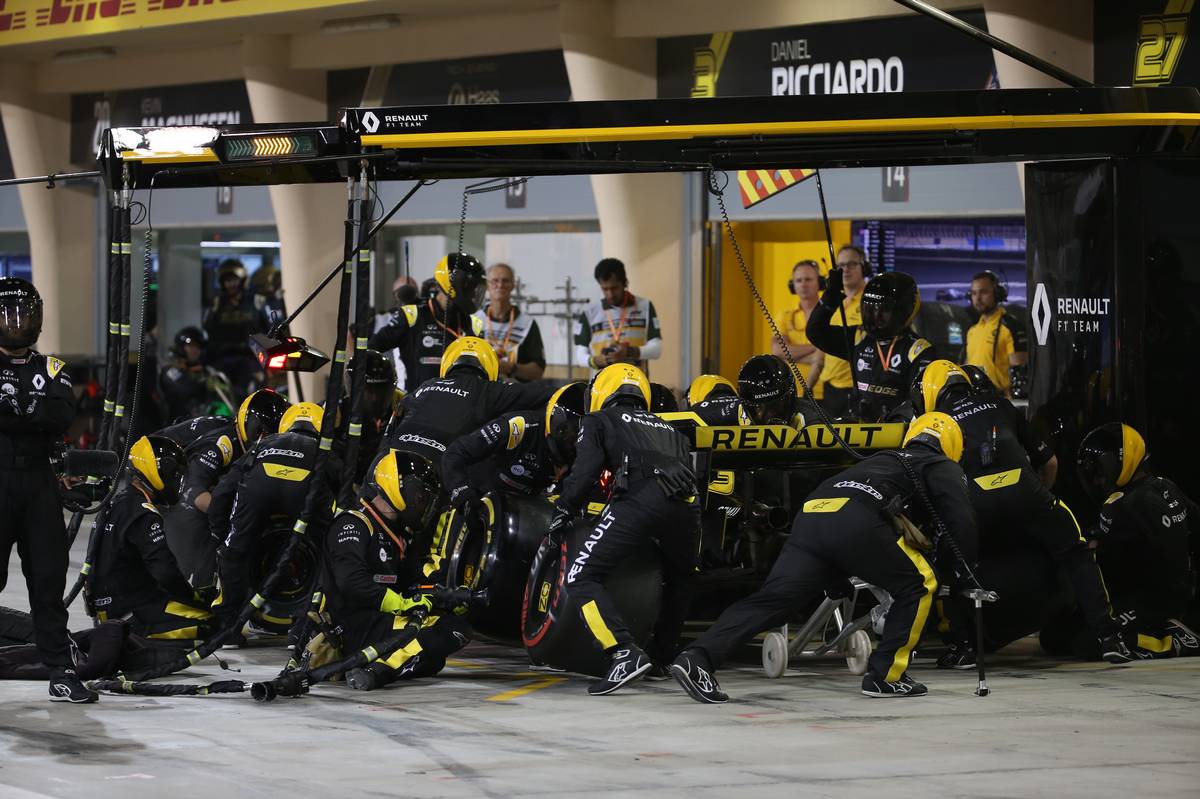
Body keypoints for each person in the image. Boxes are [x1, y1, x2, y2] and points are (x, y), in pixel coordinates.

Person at [672, 413, 976, 703]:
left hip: (813, 514)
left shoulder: (880, 459)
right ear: (952, 448)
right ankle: (887, 676)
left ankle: (698, 658)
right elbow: (961, 523)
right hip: (855, 519)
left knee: (774, 600)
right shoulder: (941, 465)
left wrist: (835, 573)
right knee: (921, 582)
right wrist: (962, 573)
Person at [909, 361, 1124, 665]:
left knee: (949, 564)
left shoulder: (934, 421)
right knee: (1077, 552)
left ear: (930, 392)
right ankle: (1109, 638)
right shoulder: (1001, 404)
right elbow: (1049, 463)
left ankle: (964, 648)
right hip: (1025, 491)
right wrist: (1037, 499)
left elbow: (929, 482)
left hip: (973, 502)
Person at [549, 363, 701, 695]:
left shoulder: (598, 419)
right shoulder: (669, 427)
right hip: (689, 505)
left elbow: (584, 472)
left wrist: (562, 510)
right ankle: (663, 658)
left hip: (643, 497)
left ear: (602, 391)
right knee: (681, 580)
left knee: (580, 577)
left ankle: (622, 651)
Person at [0, 277, 97, 702]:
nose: (17, 323)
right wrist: (31, 414)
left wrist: (15, 413)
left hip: (40, 484)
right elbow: (43, 415)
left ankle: (60, 670)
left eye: (25, 314)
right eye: (9, 315)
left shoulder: (52, 368)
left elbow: (60, 414)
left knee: (48, 581)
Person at [1042, 424, 1198, 660]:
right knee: (1055, 637)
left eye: (1100, 470)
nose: (1097, 480)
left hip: (1152, 600)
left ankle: (1174, 639)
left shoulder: (1120, 504)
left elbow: (1099, 555)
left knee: (1089, 642)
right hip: (1173, 591)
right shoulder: (1166, 486)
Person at [323, 450, 472, 690]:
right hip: (352, 625)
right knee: (451, 630)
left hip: (378, 620)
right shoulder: (353, 523)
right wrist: (402, 604)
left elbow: (406, 581)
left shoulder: (396, 535)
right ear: (397, 487)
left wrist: (443, 595)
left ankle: (381, 666)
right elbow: (351, 583)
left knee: (435, 659)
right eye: (420, 496)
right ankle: (379, 670)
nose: (422, 504)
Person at [210, 402, 341, 632]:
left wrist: (224, 540)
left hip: (258, 488)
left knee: (235, 549)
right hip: (307, 491)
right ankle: (306, 627)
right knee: (329, 552)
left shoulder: (262, 444)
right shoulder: (325, 450)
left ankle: (227, 626)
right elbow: (347, 492)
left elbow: (222, 493)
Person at [85, 435, 213, 643]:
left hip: (109, 607)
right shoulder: (144, 513)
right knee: (213, 623)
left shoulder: (117, 502)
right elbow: (165, 571)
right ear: (158, 471)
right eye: (175, 475)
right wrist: (193, 597)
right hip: (130, 612)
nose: (178, 482)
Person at [159, 389, 290, 586]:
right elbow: (192, 491)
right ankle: (197, 587)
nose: (265, 440)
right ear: (249, 423)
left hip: (177, 480)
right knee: (210, 529)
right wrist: (236, 517)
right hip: (160, 485)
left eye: (273, 435)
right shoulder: (224, 443)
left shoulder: (240, 440)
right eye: (262, 432)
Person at [383, 336, 554, 469]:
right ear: (490, 368)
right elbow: (546, 395)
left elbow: (394, 423)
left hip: (388, 464)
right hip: (439, 474)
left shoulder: (425, 386)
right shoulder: (488, 390)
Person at [807, 269, 936, 422]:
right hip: (860, 431)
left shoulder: (918, 351)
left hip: (897, 434)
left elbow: (923, 404)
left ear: (905, 309)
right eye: (870, 309)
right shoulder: (859, 337)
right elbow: (815, 331)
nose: (875, 316)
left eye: (884, 310)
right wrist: (831, 295)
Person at [442, 382, 586, 503]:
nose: (577, 442)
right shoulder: (518, 427)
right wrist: (461, 490)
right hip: (480, 501)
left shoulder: (587, 454)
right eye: (573, 434)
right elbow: (456, 452)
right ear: (557, 422)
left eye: (583, 434)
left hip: (526, 517)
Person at [368, 254, 487, 392]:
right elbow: (370, 352)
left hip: (458, 408)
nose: (473, 295)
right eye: (470, 288)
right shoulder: (412, 316)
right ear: (454, 284)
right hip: (415, 407)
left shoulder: (473, 325)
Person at [574, 258, 663, 375]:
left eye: (614, 288)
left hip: (636, 383)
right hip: (601, 385)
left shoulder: (644, 306)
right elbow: (579, 355)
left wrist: (629, 351)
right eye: (605, 289)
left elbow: (657, 349)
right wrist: (595, 360)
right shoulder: (590, 312)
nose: (610, 294)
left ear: (624, 283)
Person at [202, 259, 271, 397]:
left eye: (234, 280)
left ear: (242, 280)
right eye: (227, 281)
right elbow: (208, 332)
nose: (231, 285)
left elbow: (269, 331)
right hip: (222, 360)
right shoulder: (216, 305)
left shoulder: (256, 302)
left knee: (253, 394)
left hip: (251, 359)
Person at [815, 246, 868, 417]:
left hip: (856, 386)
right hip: (829, 387)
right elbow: (820, 347)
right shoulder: (833, 302)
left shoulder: (870, 302)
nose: (845, 270)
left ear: (864, 267)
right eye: (841, 265)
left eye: (852, 264)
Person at [475, 263, 546, 383]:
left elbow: (538, 371)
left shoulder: (527, 324)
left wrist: (511, 368)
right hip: (482, 392)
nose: (500, 285)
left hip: (514, 394)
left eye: (505, 281)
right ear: (487, 285)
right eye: (494, 281)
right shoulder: (475, 320)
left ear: (513, 285)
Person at [965, 271, 1027, 398]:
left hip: (1001, 402)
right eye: (974, 293)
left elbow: (1021, 375)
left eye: (983, 292)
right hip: (976, 401)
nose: (978, 298)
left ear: (997, 293)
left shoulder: (1011, 327)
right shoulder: (972, 331)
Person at [772, 260, 825, 395]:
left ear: (820, 282)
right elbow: (778, 350)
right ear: (792, 285)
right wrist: (816, 349)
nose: (803, 284)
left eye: (808, 279)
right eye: (798, 280)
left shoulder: (831, 313)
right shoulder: (784, 315)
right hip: (791, 392)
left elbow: (831, 355)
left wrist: (790, 356)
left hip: (826, 391)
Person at [159, 326, 222, 422]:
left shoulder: (206, 371)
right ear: (181, 347)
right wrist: (205, 384)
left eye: (198, 346)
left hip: (202, 422)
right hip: (175, 426)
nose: (195, 350)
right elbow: (184, 389)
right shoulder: (170, 370)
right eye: (191, 346)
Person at [373, 275, 420, 390]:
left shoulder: (425, 316)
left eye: (410, 291)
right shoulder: (383, 318)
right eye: (401, 292)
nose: (406, 297)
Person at [737, 355, 805, 427]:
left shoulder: (811, 418)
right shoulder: (732, 410)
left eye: (777, 407)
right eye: (760, 408)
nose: (771, 415)